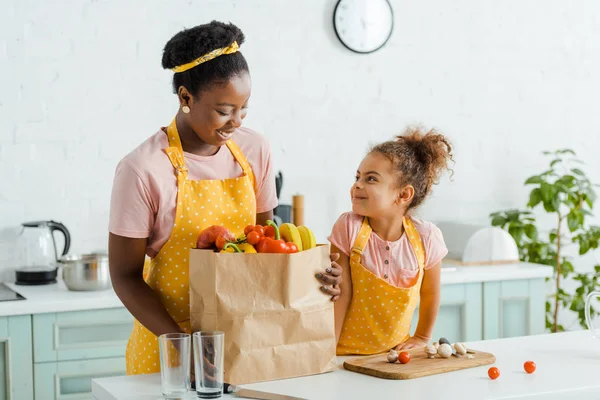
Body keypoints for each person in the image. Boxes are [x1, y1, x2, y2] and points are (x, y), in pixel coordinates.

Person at [108, 21, 341, 375]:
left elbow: (265, 248)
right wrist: (185, 347)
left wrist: (313, 276)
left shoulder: (254, 149)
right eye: (224, 110)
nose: (236, 121)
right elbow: (124, 276)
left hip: (243, 340)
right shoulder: (142, 169)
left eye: (244, 108)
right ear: (186, 98)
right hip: (170, 351)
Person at [329, 127, 453, 355]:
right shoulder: (348, 227)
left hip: (393, 357)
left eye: (371, 179)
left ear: (404, 195)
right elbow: (341, 293)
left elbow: (430, 294)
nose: (357, 184)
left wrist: (422, 337)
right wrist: (327, 351)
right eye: (357, 177)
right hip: (344, 354)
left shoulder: (426, 237)